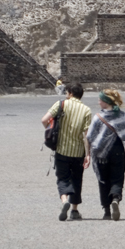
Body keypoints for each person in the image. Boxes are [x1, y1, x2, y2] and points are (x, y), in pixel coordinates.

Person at [41, 83, 93, 221]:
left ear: (70, 93)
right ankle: (74, 210)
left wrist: (51, 129)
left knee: (62, 178)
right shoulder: (86, 110)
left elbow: (44, 120)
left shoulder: (61, 104)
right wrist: (88, 154)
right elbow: (87, 135)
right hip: (78, 152)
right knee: (77, 179)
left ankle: (64, 201)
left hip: (62, 149)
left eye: (66, 92)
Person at [85, 88, 125, 220]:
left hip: (101, 153)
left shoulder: (98, 117)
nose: (98, 102)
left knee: (103, 180)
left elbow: (89, 136)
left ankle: (107, 211)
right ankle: (115, 198)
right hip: (118, 150)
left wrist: (88, 154)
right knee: (117, 177)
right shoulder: (122, 115)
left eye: (100, 100)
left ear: (106, 102)